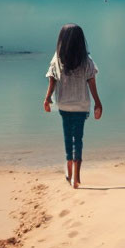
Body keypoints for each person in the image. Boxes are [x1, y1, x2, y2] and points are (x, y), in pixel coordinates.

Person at [43, 23, 103, 188]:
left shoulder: (57, 59)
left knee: (68, 138)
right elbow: (92, 83)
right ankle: (76, 176)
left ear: (61, 39)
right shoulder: (87, 61)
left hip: (63, 105)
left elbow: (52, 80)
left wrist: (47, 99)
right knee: (79, 140)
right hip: (81, 105)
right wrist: (98, 103)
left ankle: (69, 172)